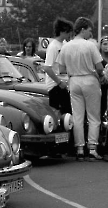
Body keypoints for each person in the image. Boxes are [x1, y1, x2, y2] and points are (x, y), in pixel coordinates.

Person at [57, 17, 106, 161]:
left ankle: (79, 148)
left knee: (77, 116)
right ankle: (92, 148)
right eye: (89, 30)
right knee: (93, 117)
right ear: (83, 29)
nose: (90, 34)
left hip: (74, 80)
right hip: (90, 80)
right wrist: (101, 75)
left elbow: (61, 68)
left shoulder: (66, 46)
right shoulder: (90, 46)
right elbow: (99, 67)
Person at [44, 18, 73, 118]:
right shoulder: (53, 47)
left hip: (64, 84)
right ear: (62, 31)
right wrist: (59, 82)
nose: (70, 34)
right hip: (55, 85)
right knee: (59, 113)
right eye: (68, 31)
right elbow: (47, 68)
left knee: (68, 112)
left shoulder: (65, 44)